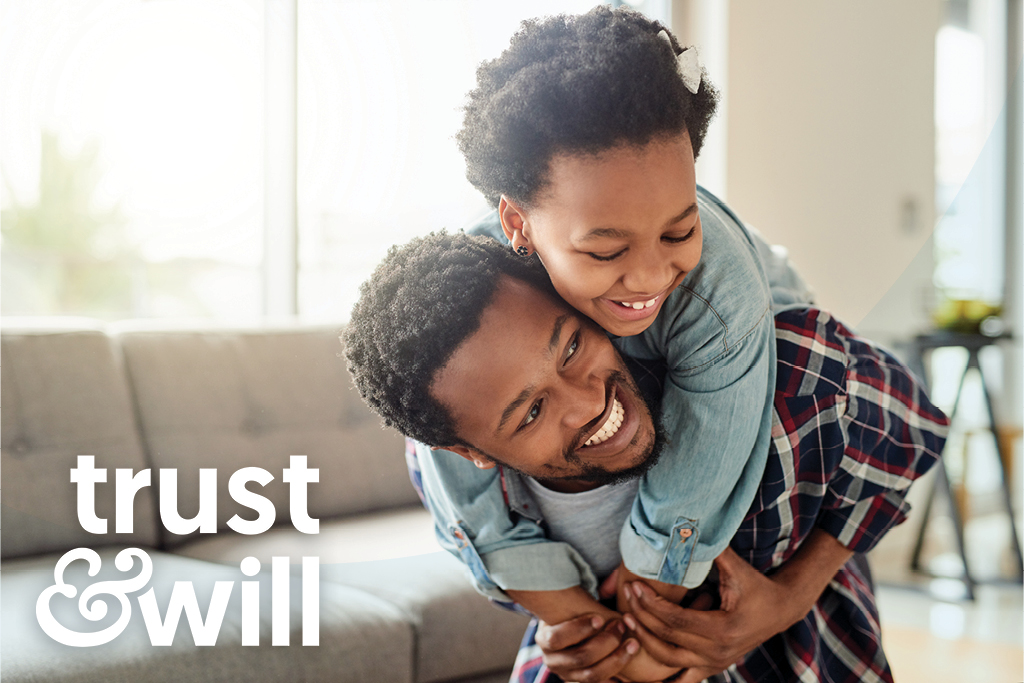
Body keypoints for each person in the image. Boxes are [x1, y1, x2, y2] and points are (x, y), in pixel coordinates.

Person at [343, 232, 949, 682]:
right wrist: (572, 634)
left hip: (801, 649)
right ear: (472, 453)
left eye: (573, 345)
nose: (588, 402)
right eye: (530, 414)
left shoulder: (775, 376)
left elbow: (905, 430)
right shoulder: (454, 482)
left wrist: (790, 596)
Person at [413, 6, 821, 635]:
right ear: (518, 225)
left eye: (679, 230)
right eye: (606, 252)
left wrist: (642, 609)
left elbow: (698, 479)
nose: (652, 275)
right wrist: (564, 612)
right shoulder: (475, 293)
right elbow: (446, 442)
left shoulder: (720, 295)